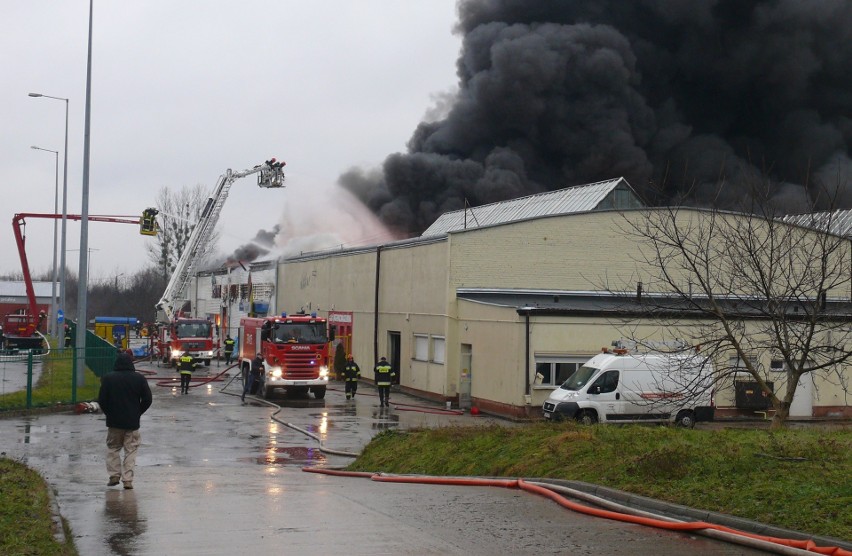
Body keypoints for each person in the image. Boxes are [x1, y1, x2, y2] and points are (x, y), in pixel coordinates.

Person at [97, 351, 152, 490]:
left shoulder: (108, 379)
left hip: (114, 422)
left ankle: (114, 475)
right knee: (131, 450)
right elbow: (147, 399)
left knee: (113, 448)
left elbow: (102, 400)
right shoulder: (139, 379)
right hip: (132, 423)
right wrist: (138, 412)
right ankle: (128, 480)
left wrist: (109, 413)